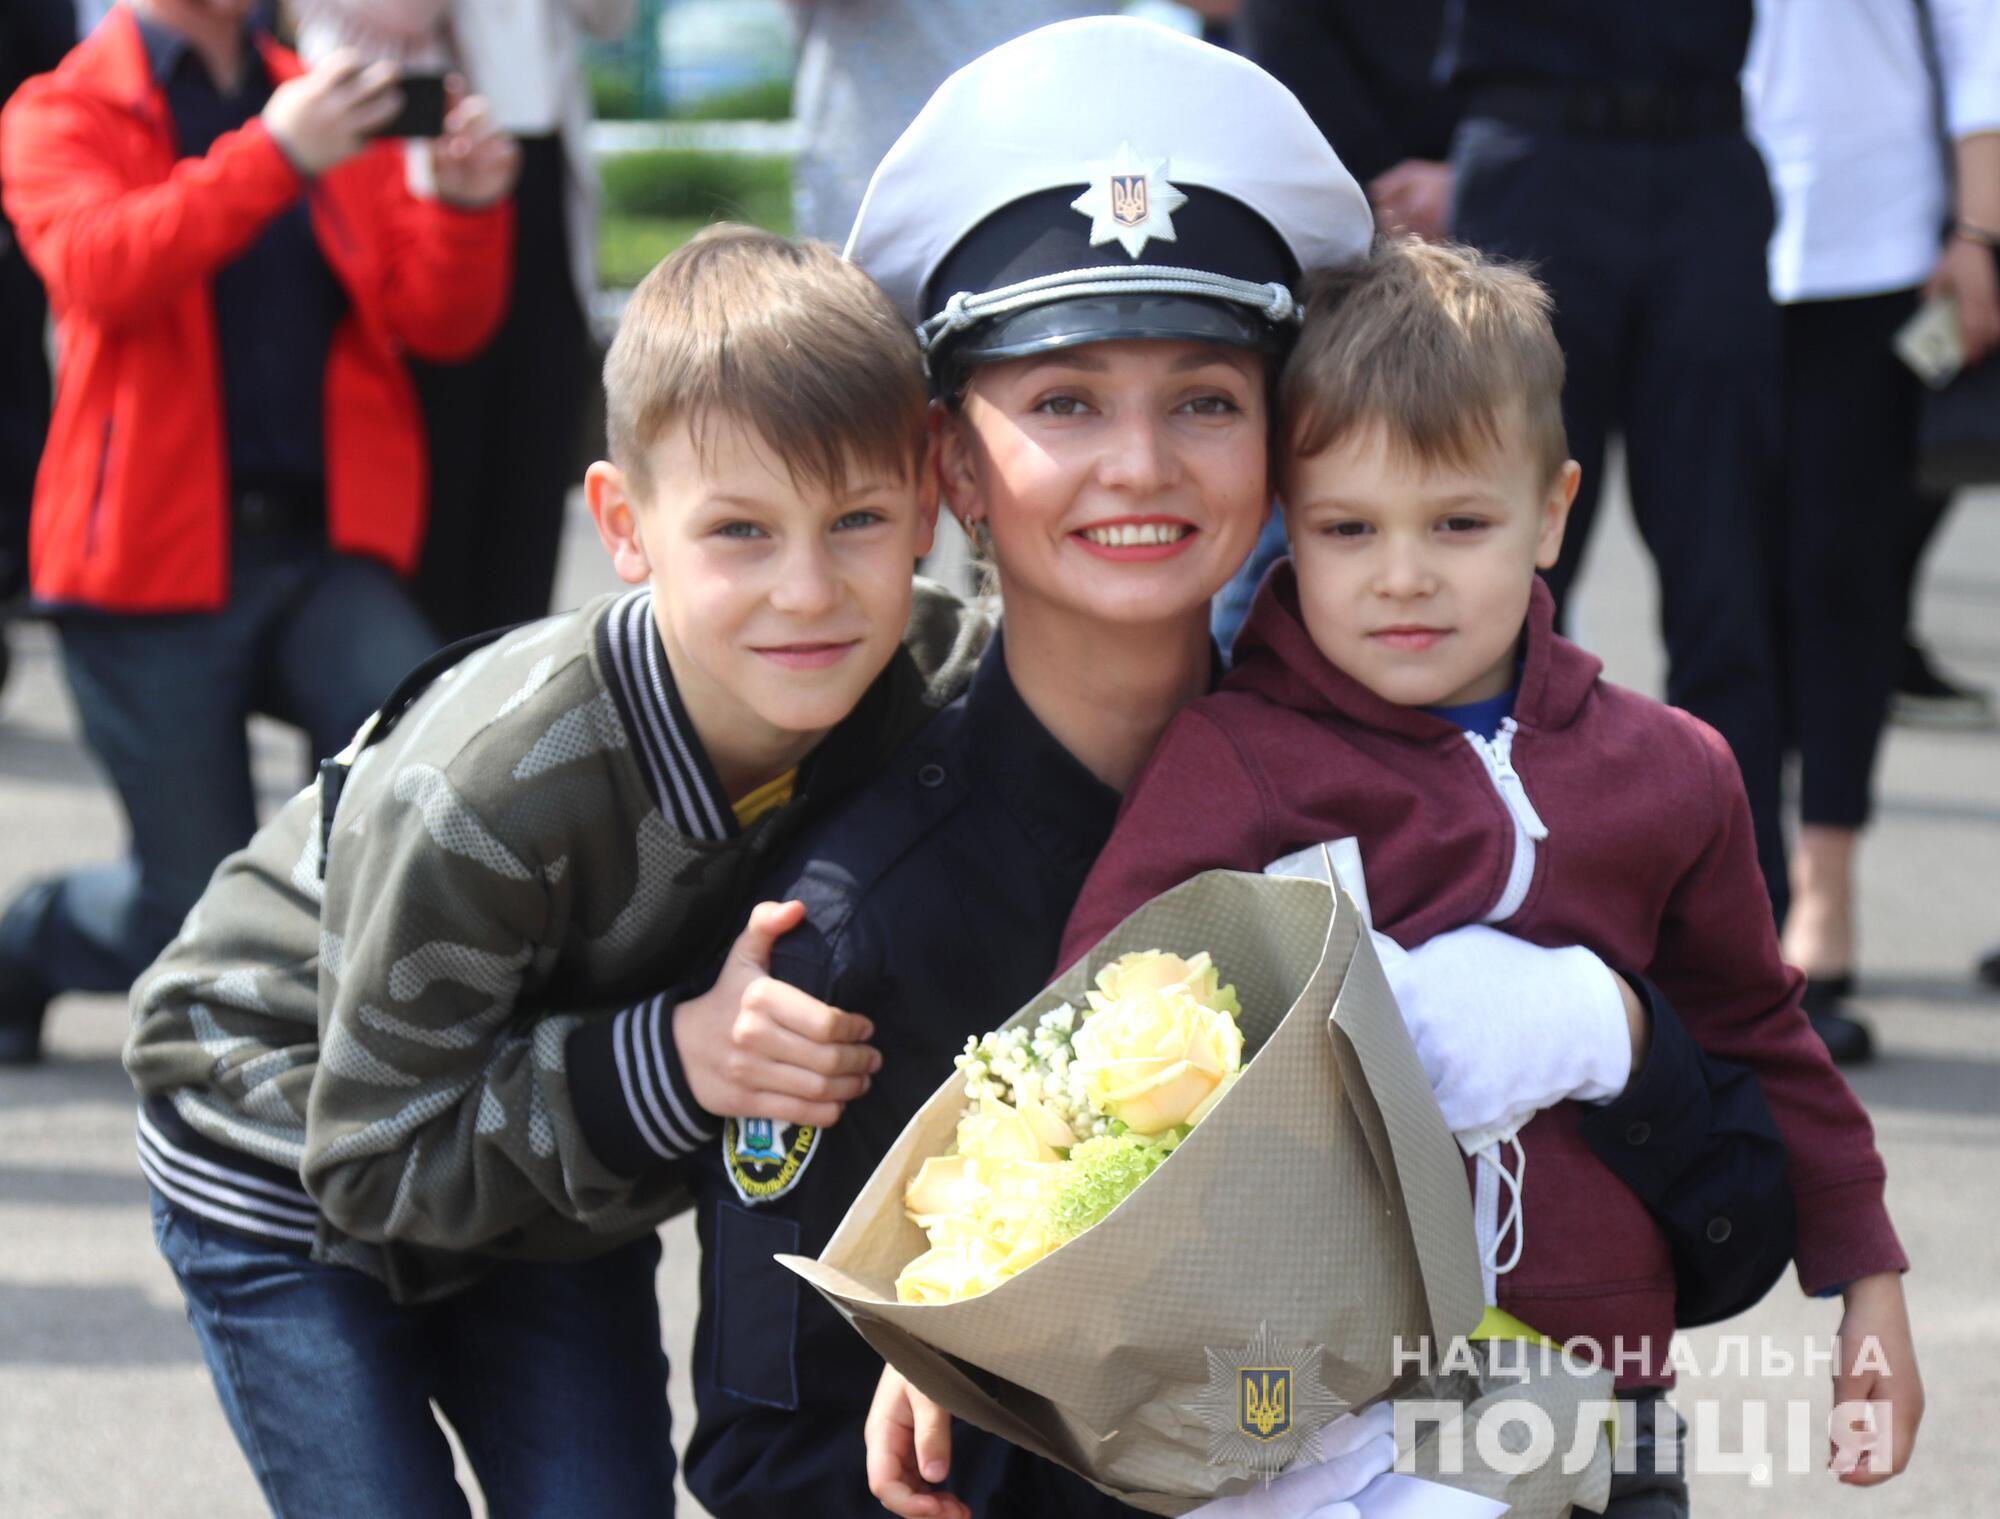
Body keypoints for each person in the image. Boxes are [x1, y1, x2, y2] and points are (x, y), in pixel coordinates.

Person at [648, 22, 1798, 1519]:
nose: (1143, 462)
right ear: (952, 465)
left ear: (1279, 440)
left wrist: (1619, 1033)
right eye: (1063, 402)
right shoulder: (856, 926)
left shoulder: (1467, 791)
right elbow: (775, 1462)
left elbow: (1725, 1242)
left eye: (1205, 397)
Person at [122, 225, 981, 1512]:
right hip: (284, 1157)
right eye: (740, 530)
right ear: (625, 527)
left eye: (856, 519)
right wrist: (674, 1061)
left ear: (926, 504)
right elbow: (365, 1160)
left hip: (540, 1181)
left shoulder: (907, 676)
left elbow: (1049, 684)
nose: (808, 590)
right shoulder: (490, 787)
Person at [1059, 238, 1923, 1510]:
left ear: (1553, 509)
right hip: (1325, 1415)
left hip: (1606, 1388)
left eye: (1458, 523)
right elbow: (1097, 1025)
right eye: (1348, 528)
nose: (1402, 575)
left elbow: (1756, 1024)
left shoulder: (1671, 769)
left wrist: (1869, 1286)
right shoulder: (1232, 760)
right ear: (1287, 520)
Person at [0, 0, 516, 1064]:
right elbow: (103, 265)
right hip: (142, 567)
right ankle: (33, 938)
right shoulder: (61, 108)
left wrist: (463, 207)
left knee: (440, 773)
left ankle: (375, 1040)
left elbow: (435, 318)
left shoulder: (317, 98)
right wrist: (276, 152)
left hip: (319, 552)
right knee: (192, 918)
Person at [1439, 0, 1792, 954]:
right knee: (1491, 580)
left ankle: (1740, 946)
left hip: (1705, 155)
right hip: (1529, 156)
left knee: (1731, 577)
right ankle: (1472, 904)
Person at [1744, 0, 2000, 1061]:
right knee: (1724, 593)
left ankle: (1821, 889)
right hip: (1701, 239)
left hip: (1875, 253)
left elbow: (1976, 46)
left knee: (1840, 586)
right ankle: (1732, 891)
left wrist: (1978, 232)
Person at [292, 0, 638, 643]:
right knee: (424, 518)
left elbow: (611, 17)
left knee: (526, 506)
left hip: (539, 177)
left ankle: (510, 721)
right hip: (396, 160)